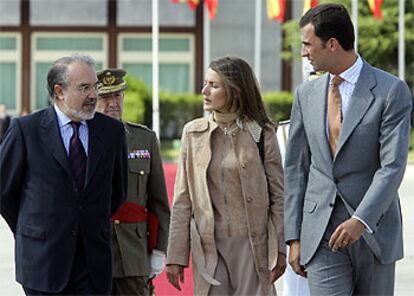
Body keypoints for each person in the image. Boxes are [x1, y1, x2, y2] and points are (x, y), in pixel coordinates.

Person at [284, 4, 413, 296]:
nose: (303, 52)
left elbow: (392, 165)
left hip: (373, 232)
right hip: (321, 233)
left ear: (331, 44)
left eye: (307, 44)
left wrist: (361, 220)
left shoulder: (390, 91)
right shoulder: (306, 94)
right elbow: (296, 169)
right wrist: (293, 237)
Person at [0, 54, 128, 295]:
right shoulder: (26, 130)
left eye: (94, 87)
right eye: (84, 88)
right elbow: (4, 191)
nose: (93, 95)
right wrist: (32, 228)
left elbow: (117, 191)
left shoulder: (111, 132)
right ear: (59, 91)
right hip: (42, 262)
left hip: (92, 264)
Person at [166, 56, 286, 296]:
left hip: (254, 248)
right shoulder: (193, 133)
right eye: (205, 83)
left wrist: (280, 249)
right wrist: (176, 254)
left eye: (214, 85)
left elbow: (279, 197)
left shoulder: (261, 133)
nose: (204, 91)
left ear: (236, 91)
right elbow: (182, 200)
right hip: (210, 249)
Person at [95, 68, 170, 296]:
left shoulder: (144, 139)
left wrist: (159, 251)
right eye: (105, 97)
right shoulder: (81, 139)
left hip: (133, 254)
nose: (113, 103)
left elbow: (160, 203)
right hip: (94, 254)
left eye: (117, 95)